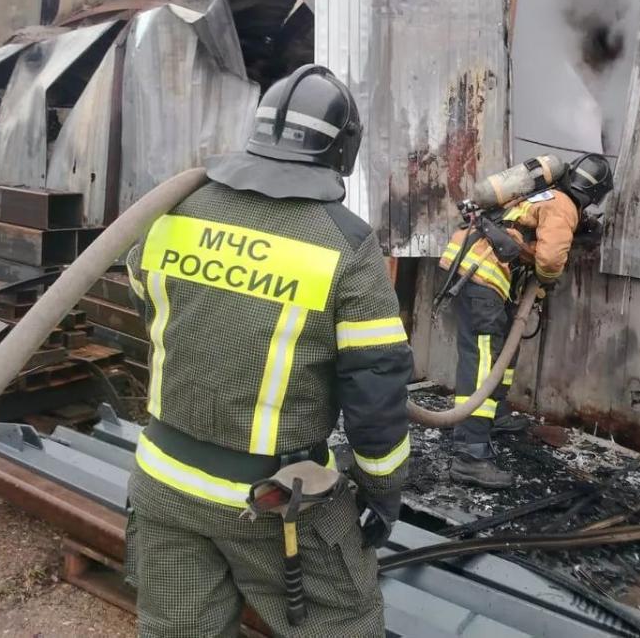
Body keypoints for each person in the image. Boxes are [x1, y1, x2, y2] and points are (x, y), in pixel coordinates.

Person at [123, 64, 412, 637]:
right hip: (275, 501)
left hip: (163, 483)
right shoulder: (346, 244)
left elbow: (153, 307)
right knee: (344, 623)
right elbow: (375, 390)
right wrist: (382, 493)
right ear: (341, 149)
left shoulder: (173, 210)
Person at [438, 153, 614, 488]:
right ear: (595, 195)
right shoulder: (562, 204)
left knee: (504, 350)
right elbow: (549, 259)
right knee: (483, 359)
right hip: (482, 277)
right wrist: (547, 279)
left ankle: (495, 414)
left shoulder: (541, 195)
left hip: (478, 271)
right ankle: (469, 455)